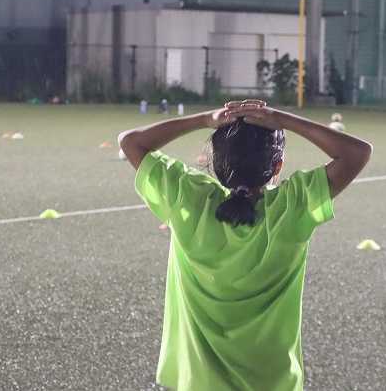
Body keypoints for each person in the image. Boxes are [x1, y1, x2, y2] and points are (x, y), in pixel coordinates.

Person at [118, 99, 372, 391]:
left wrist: (205, 119)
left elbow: (131, 142)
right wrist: (282, 119)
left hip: (199, 383)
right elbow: (357, 153)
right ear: (278, 165)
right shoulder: (292, 207)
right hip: (272, 382)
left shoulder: (189, 199)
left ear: (215, 163)